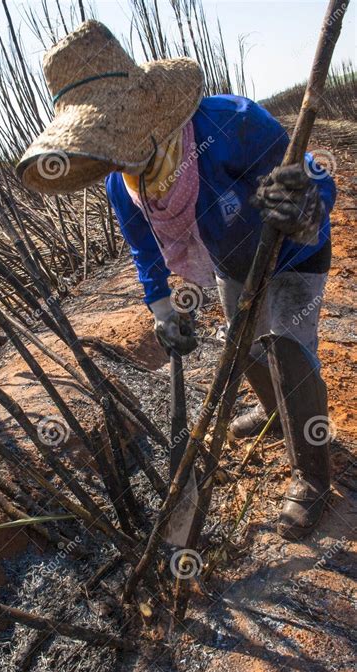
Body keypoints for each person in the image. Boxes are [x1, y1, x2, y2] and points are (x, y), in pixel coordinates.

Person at [17, 20, 336, 540]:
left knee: (285, 344)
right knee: (243, 343)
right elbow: (147, 256)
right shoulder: (128, 186)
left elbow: (313, 179)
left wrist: (302, 203)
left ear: (143, 112)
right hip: (236, 263)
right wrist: (166, 314)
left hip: (294, 253)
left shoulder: (229, 122)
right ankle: (275, 413)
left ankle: (313, 477)